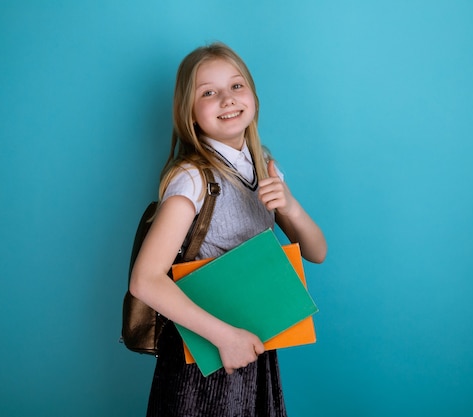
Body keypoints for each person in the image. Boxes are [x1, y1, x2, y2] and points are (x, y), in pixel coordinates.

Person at [129, 42, 327, 417]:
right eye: (208, 92)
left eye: (236, 86)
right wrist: (224, 337)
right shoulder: (192, 178)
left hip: (253, 343)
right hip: (204, 355)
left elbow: (317, 252)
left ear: (252, 95)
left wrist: (290, 206)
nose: (227, 99)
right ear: (189, 112)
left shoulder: (264, 164)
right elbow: (145, 280)